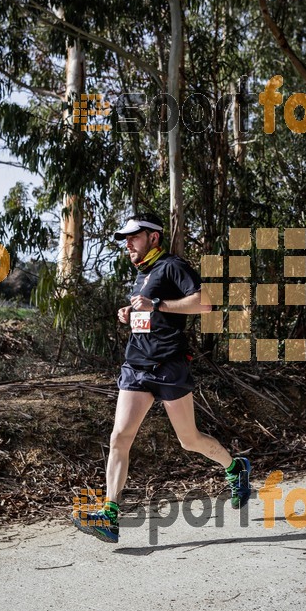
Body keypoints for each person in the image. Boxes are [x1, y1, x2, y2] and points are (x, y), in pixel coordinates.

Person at [71, 213, 250, 543]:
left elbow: (205, 303)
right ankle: (110, 516)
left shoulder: (171, 266)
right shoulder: (142, 274)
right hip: (136, 365)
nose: (127, 243)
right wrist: (132, 314)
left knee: (189, 440)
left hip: (169, 366)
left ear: (153, 238)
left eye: (134, 237)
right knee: (119, 437)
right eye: (126, 239)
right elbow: (150, 315)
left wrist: (157, 304)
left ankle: (235, 468)